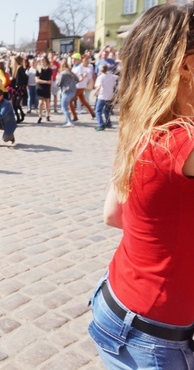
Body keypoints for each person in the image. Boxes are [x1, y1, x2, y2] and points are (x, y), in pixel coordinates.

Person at [89, 4, 194, 369]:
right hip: (155, 340)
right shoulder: (184, 143)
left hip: (117, 305)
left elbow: (112, 214)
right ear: (187, 66)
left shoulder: (145, 131)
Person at [93, 64, 118, 131]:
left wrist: (95, 92)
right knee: (106, 110)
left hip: (102, 95)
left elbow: (99, 86)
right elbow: (115, 83)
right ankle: (108, 123)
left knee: (98, 111)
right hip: (110, 95)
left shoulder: (100, 77)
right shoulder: (111, 76)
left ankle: (101, 124)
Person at [55, 60, 78, 127]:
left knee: (64, 107)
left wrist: (57, 78)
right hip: (73, 91)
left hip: (66, 91)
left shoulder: (63, 73)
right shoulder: (71, 72)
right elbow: (78, 80)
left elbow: (58, 83)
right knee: (67, 106)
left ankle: (69, 121)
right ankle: (67, 119)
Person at [36, 56, 53, 123]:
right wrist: (46, 82)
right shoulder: (38, 69)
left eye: (43, 59)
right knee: (40, 102)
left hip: (47, 87)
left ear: (46, 60)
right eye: (41, 60)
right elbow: (37, 80)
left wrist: (51, 85)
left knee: (47, 102)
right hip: (40, 87)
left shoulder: (49, 69)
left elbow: (51, 79)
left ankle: (47, 115)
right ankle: (40, 116)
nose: (42, 61)